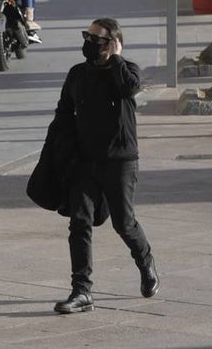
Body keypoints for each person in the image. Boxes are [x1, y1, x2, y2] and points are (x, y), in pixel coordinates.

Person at [49, 17, 157, 314]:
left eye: (95, 39)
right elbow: (63, 112)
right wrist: (61, 152)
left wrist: (117, 58)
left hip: (120, 161)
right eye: (86, 36)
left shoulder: (126, 71)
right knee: (79, 221)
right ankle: (81, 291)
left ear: (110, 44)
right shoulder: (77, 74)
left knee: (124, 223)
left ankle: (145, 261)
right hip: (85, 161)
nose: (88, 43)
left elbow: (128, 89)